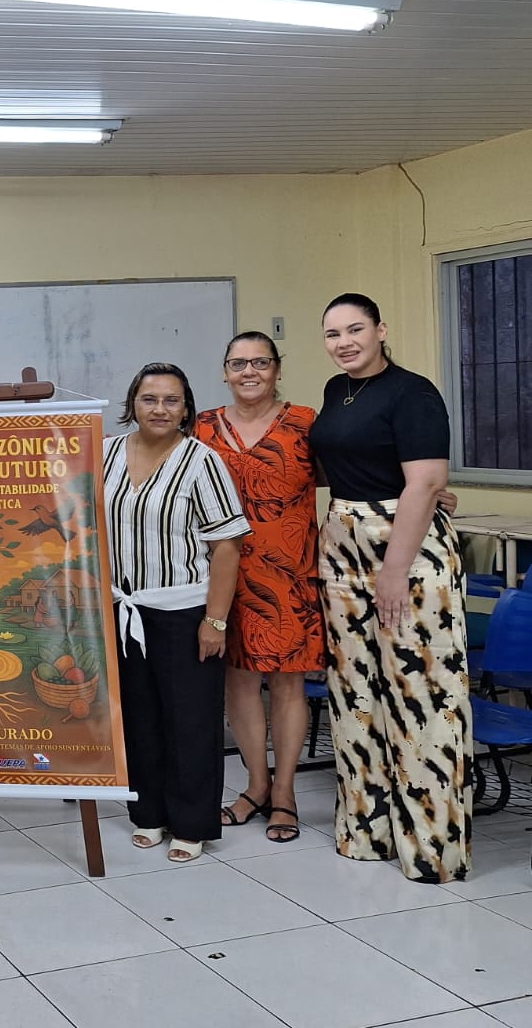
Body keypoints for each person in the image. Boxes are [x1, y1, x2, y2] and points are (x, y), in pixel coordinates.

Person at [309, 293, 470, 883]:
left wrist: (395, 571)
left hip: (405, 550)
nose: (344, 341)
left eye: (355, 329)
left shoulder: (414, 391)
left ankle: (433, 849)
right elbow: (340, 463)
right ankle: (367, 833)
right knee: (354, 695)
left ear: (381, 329)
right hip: (343, 543)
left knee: (420, 693)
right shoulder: (336, 391)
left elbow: (426, 482)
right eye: (332, 333)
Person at [104, 362, 250, 862]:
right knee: (140, 721)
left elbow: (227, 547)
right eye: (150, 399)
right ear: (133, 404)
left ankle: (191, 824)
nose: (160, 409)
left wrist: (215, 620)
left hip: (185, 613)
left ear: (186, 408)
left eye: (171, 400)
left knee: (190, 722)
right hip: (123, 611)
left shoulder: (201, 461)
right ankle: (150, 813)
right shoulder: (104, 455)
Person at [194, 333, 323, 845]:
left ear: (276, 368)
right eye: (238, 363)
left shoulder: (308, 423)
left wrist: (424, 489)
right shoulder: (201, 426)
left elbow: (356, 471)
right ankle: (256, 785)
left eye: (260, 362)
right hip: (220, 576)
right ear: (224, 370)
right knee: (239, 682)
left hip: (289, 575)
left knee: (288, 683)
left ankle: (286, 793)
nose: (249, 371)